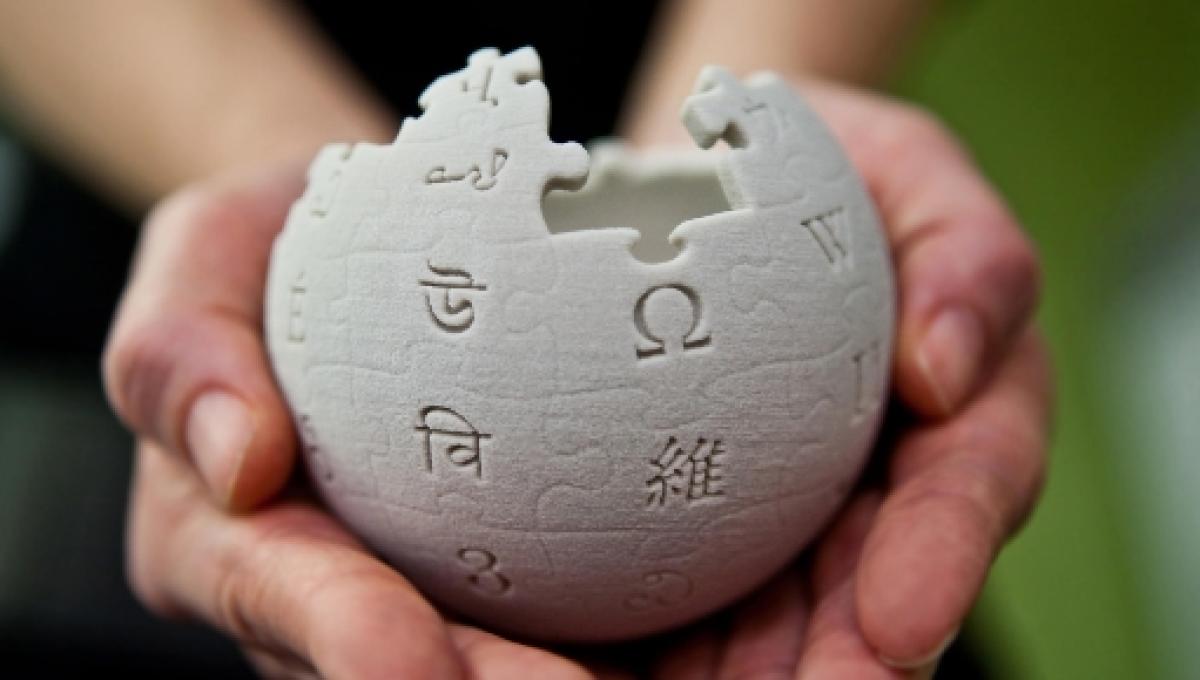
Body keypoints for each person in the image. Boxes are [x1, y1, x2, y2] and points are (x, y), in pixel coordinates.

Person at [0, 1, 1050, 677]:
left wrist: (771, 81)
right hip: (151, 211)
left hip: (817, 513)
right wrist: (307, 197)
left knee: (901, 614)